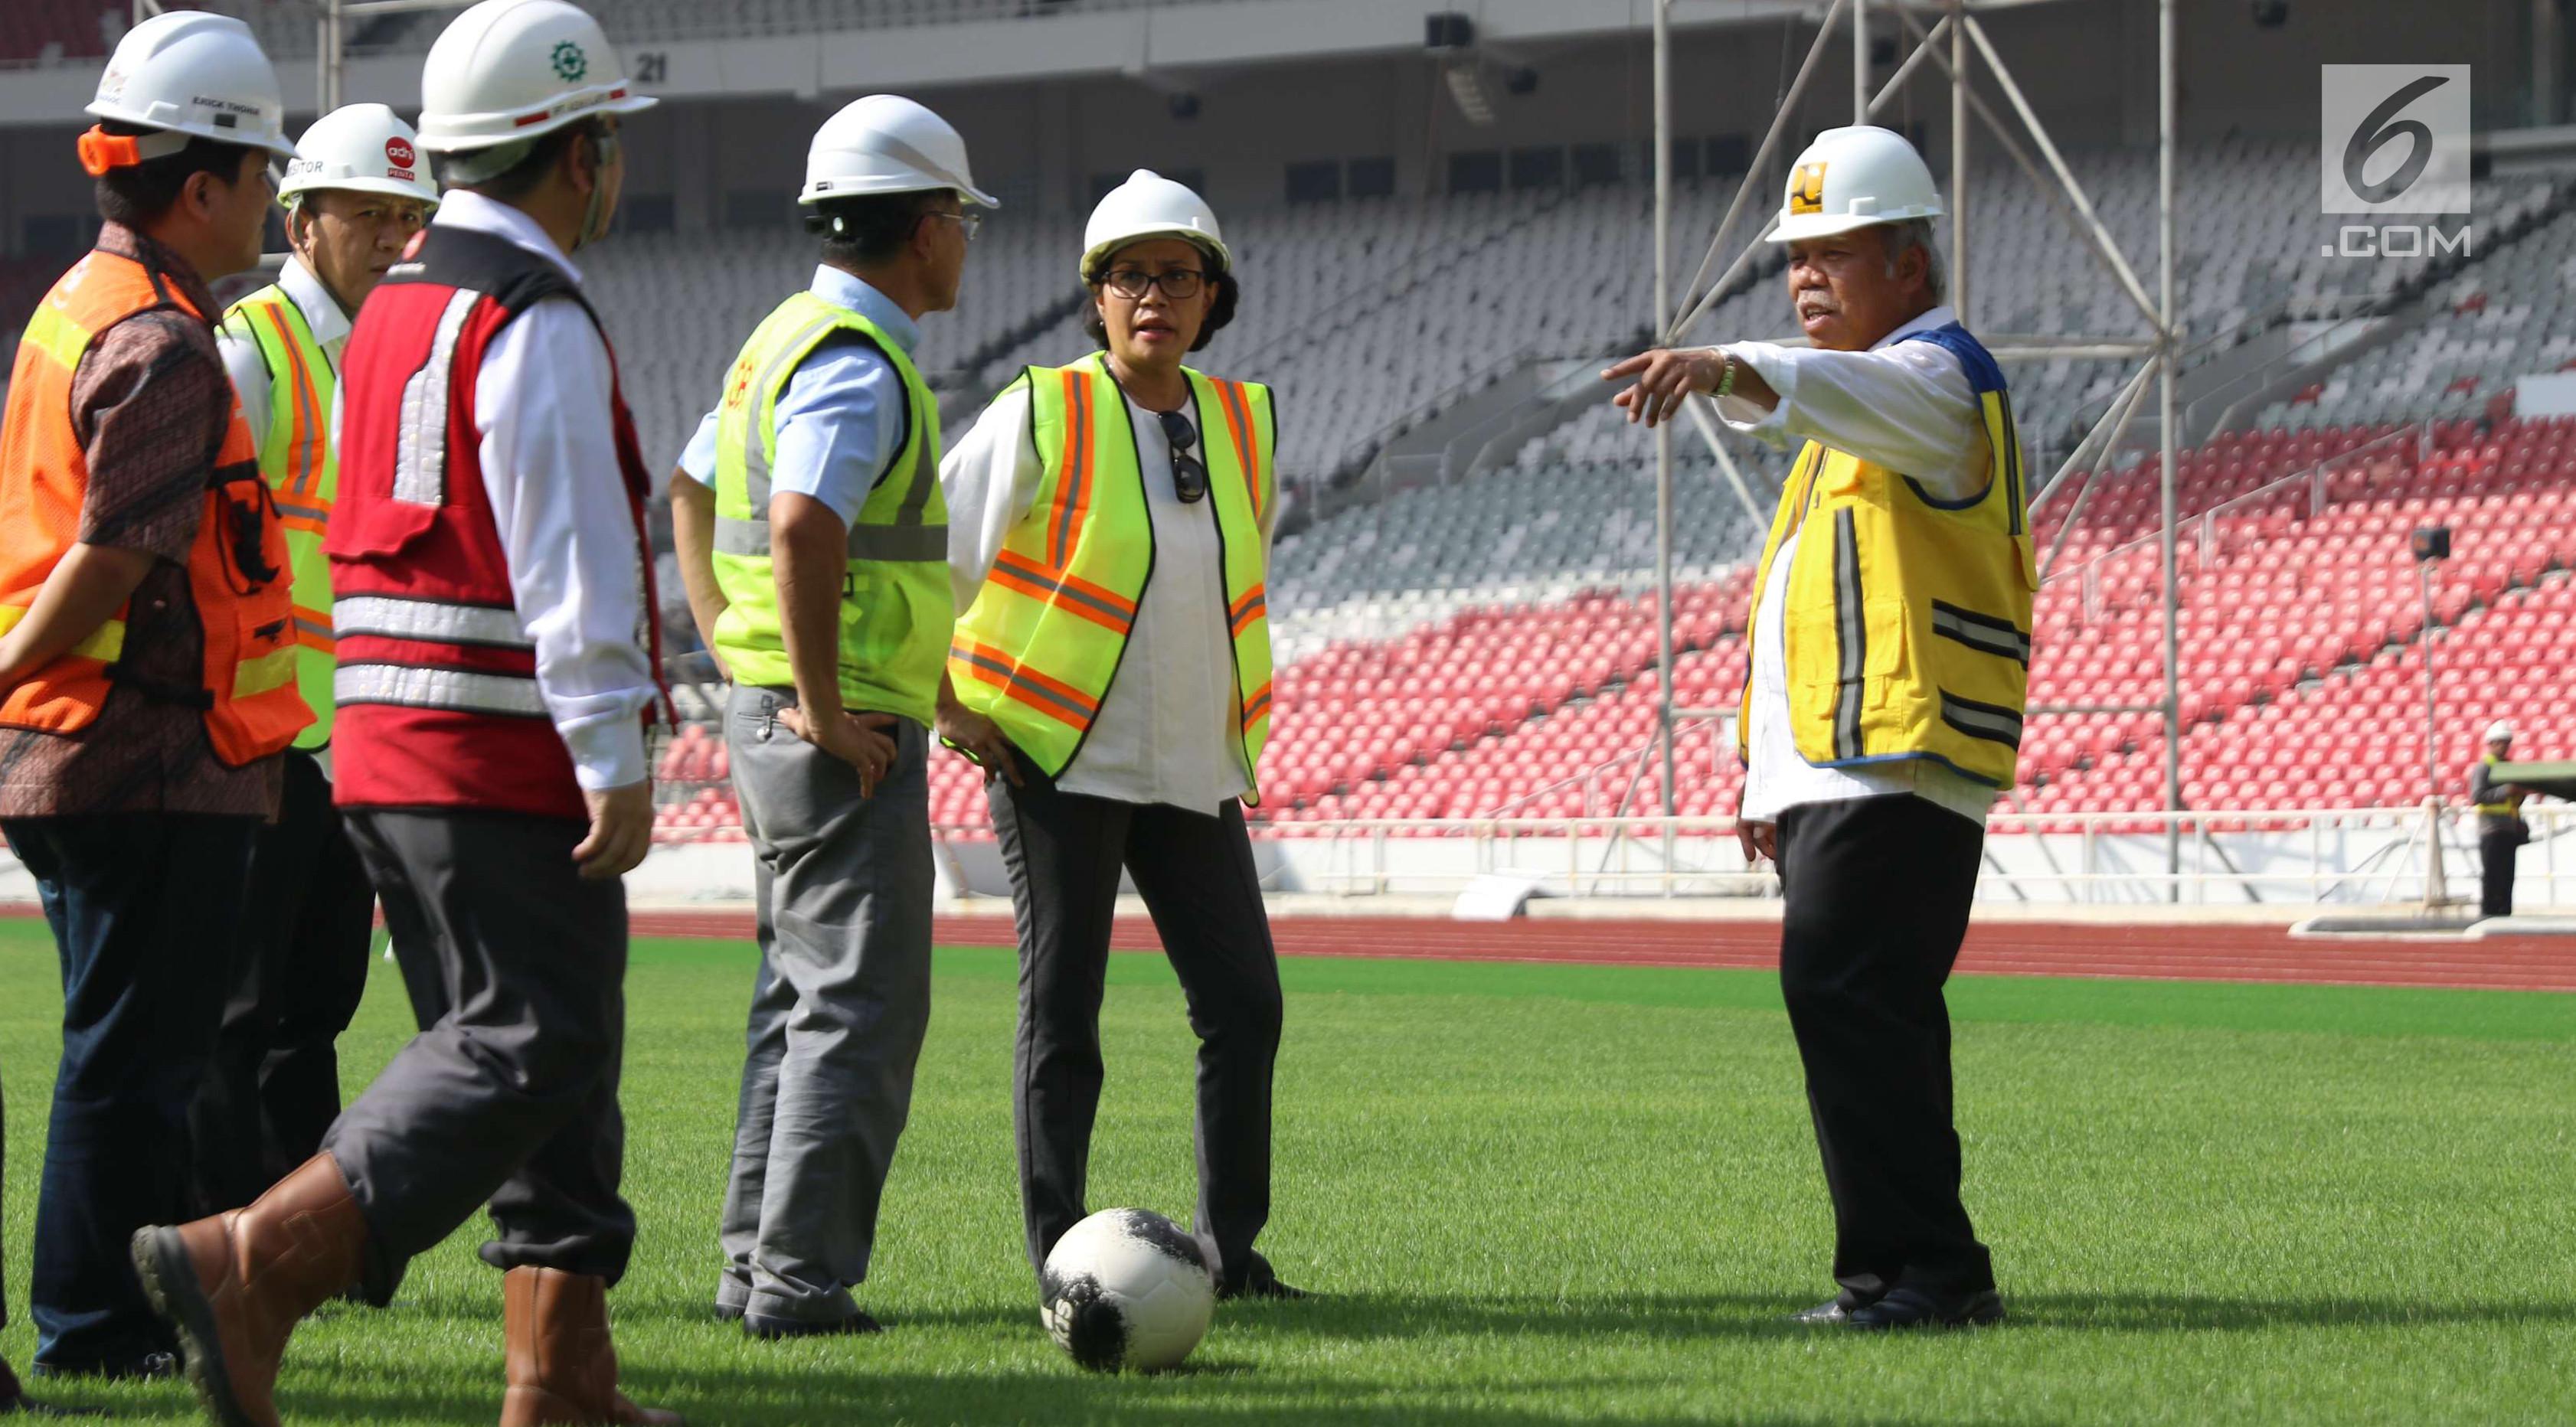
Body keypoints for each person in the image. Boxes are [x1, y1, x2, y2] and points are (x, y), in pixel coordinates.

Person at [130, 4, 678, 1425]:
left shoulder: (404, 300)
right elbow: (567, 551)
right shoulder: (530, 312)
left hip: (382, 732)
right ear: (581, 154)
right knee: (533, 1038)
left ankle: (558, 1374)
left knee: (545, 1056)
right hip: (491, 740)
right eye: (608, 144)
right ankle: (255, 1260)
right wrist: (612, 749)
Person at [1605, 125, 2028, 1331]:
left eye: (1833, 253)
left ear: (1910, 261)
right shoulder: (1855, 431)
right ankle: (1914, 1271)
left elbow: (1859, 390)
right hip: (1849, 770)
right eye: (1795, 258)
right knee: (1862, 1004)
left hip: (1898, 762)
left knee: (1849, 998)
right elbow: (1804, 605)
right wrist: (1767, 775)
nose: (1803, 278)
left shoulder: (1939, 380)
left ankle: (1918, 1275)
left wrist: (1735, 362)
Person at [0, 11, 308, 1383]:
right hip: (141, 756)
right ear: (201, 187)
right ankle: (92, 1325)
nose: (271, 200)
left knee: (116, 1048)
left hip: (75, 745)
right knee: (133, 1061)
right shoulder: (169, 345)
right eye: (261, 174)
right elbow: (116, 556)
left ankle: (107, 1313)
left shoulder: (78, 306)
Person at [940, 170, 1303, 1301]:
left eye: (1179, 275)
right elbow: (928, 555)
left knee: (1245, 1006)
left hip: (1193, 763)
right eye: (1129, 276)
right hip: (1060, 755)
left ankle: (1228, 1254)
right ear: (1094, 298)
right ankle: (1059, 1259)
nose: (1156, 296)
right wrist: (946, 705)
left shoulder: (1243, 422)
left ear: (1214, 297)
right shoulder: (1043, 408)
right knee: (1065, 1014)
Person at [666, 94, 990, 1339]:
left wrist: (723, 635)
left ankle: (757, 1264)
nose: (963, 240)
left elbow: (694, 488)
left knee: (795, 997)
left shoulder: (782, 337)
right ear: (920, 226)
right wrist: (812, 698)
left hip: (788, 711)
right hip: (832, 726)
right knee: (859, 1001)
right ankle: (799, 1282)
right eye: (955, 217)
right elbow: (803, 523)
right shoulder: (856, 363)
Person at [194, 102, 440, 1216]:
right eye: (369, 215)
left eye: (408, 216)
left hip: (348, 748)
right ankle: (222, 1236)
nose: (394, 238)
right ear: (300, 224)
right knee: (238, 1012)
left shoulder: (394, 364)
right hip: (256, 745)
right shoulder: (253, 350)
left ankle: (290, 1242)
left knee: (319, 1007)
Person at [2470, 720, 2532, 919]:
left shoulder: (2510, 768)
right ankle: (2489, 913)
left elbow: (2515, 800)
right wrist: (2506, 791)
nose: (2505, 746)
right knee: (2492, 874)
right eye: (2502, 742)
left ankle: (2505, 913)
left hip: (2509, 829)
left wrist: (2519, 794)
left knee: (2507, 875)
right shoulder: (2484, 768)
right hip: (2491, 829)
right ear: (2492, 743)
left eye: (2507, 742)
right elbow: (2477, 796)